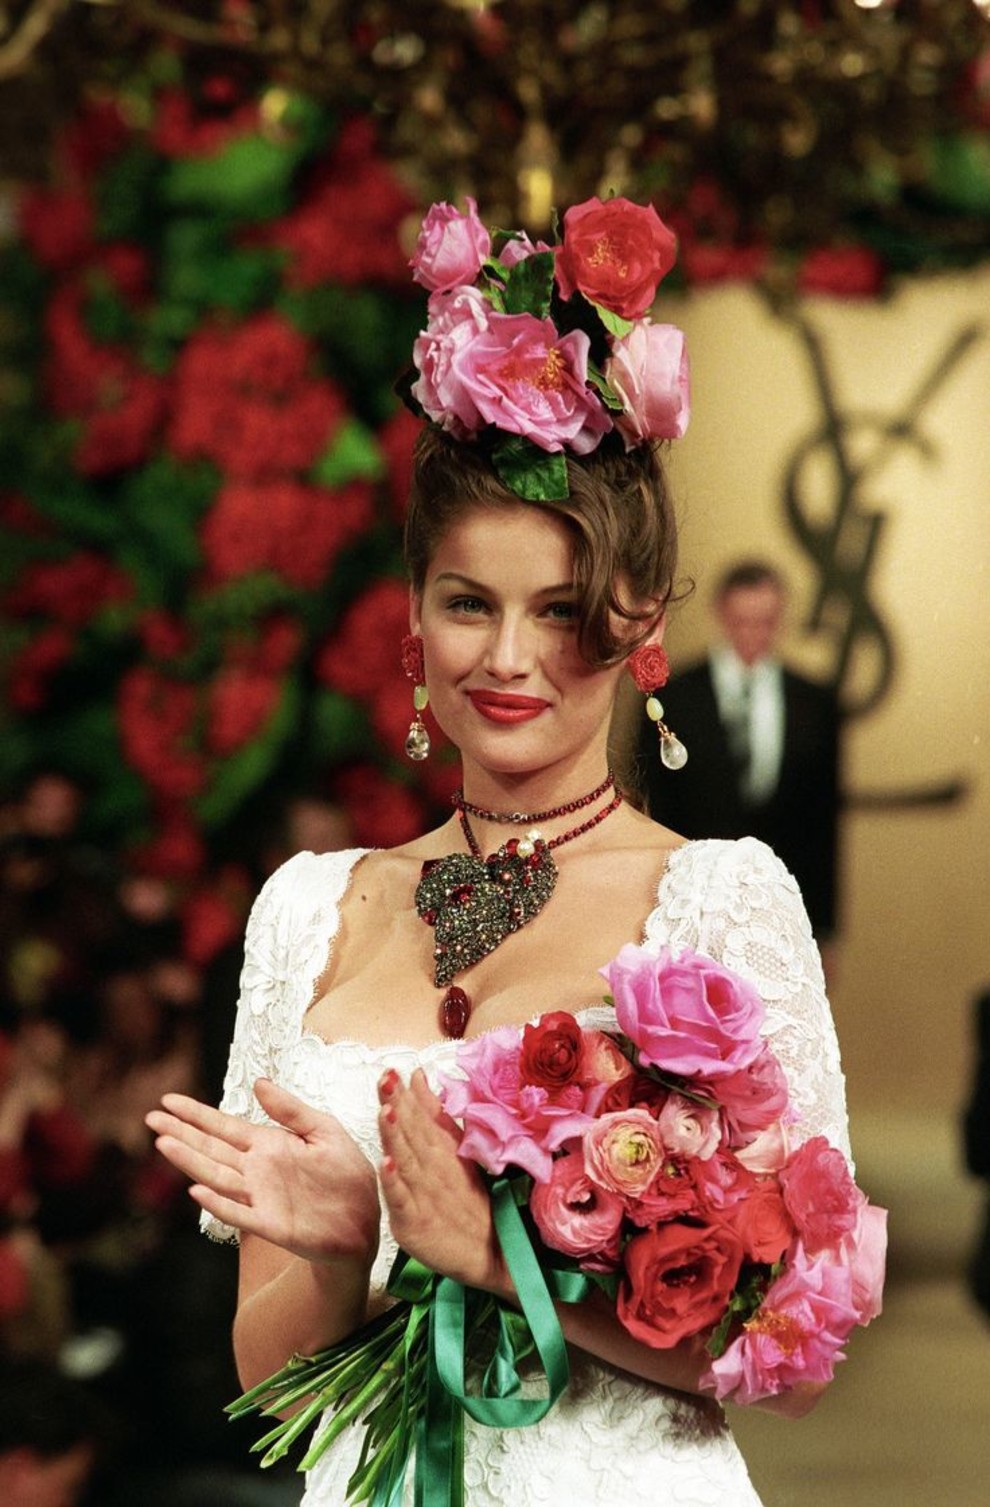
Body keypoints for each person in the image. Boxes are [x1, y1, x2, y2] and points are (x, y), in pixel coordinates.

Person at [146, 196, 853, 1506]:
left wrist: (490, 1256)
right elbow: (273, 1388)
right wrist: (347, 1246)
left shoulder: (721, 901)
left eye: (561, 609)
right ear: (414, 621)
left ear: (639, 628)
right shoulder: (310, 909)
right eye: (469, 603)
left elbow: (794, 1358)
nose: (510, 657)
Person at [638, 560, 841, 956]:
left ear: (781, 619)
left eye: (765, 622)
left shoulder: (813, 702)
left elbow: (823, 822)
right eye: (742, 621)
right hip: (695, 901)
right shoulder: (675, 699)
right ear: (722, 615)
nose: (752, 634)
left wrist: (825, 929)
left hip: (787, 904)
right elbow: (655, 805)